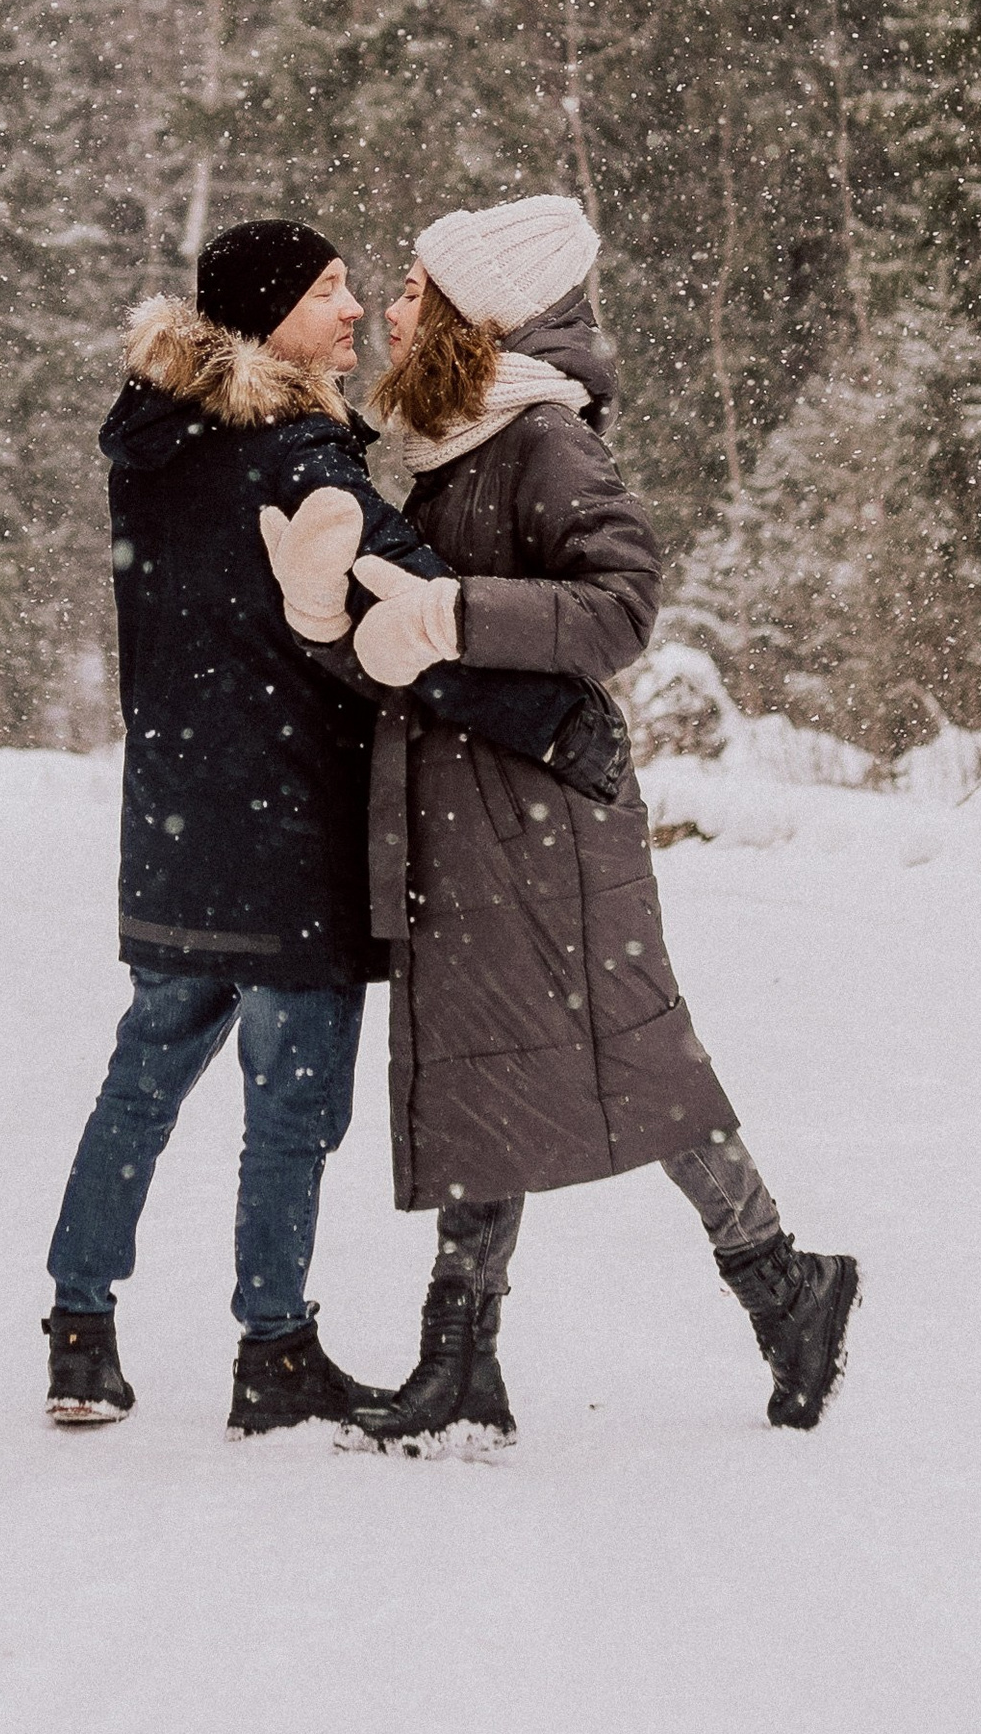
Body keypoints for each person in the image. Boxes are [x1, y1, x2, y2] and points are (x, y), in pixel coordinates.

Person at [269, 192, 861, 1449]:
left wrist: (455, 614)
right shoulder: (440, 446)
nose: (392, 306)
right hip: (472, 809)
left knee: (631, 1059)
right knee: (491, 1065)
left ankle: (784, 1281)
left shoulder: (540, 437)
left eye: (418, 289)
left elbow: (621, 603)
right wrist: (336, 623)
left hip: (546, 810)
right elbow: (412, 655)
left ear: (480, 314)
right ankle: (465, 1358)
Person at [44, 217, 588, 1439]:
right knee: (291, 1105)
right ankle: (274, 1343)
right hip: (289, 812)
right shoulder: (297, 457)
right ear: (271, 310)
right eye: (330, 290)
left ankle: (80, 1330)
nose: (353, 312)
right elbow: (405, 612)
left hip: (178, 811)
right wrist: (548, 716)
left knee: (142, 1077)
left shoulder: (154, 442)